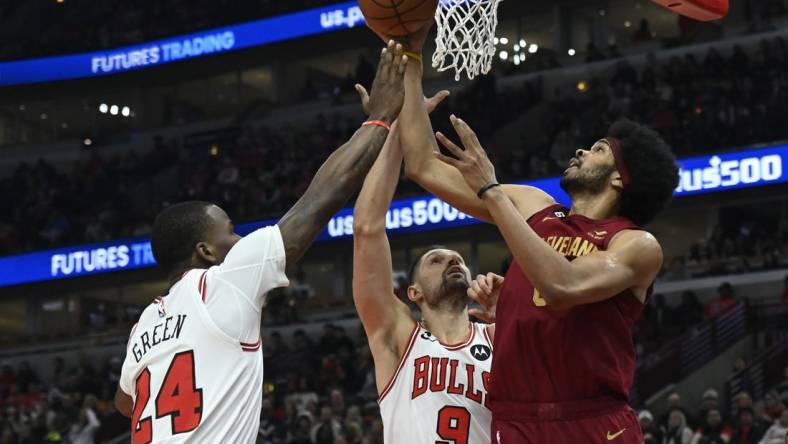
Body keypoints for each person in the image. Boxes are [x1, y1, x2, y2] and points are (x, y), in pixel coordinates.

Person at [113, 41, 409, 443]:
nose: (239, 239)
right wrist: (380, 119)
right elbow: (320, 200)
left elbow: (125, 402)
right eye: (230, 231)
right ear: (206, 251)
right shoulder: (223, 281)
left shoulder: (144, 324)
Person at [398, 29, 679, 443]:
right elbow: (423, 165)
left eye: (599, 149)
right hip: (515, 421)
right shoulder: (535, 205)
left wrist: (491, 191)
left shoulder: (634, 244)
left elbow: (562, 285)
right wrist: (409, 60)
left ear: (620, 178)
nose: (582, 151)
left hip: (591, 421)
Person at [351, 87, 500, 443]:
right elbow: (367, 227)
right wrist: (400, 126)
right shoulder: (399, 337)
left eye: (459, 260)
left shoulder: (498, 335)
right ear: (413, 292)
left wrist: (510, 319)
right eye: (436, 260)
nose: (452, 259)